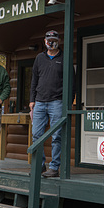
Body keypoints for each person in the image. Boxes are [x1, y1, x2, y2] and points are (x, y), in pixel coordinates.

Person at [30, 30, 70, 178]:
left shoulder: (64, 57)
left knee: (57, 135)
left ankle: (54, 167)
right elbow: (34, 80)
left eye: (54, 39)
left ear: (58, 41)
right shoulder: (39, 58)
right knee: (36, 135)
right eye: (49, 40)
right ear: (45, 41)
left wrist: (69, 100)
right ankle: (39, 166)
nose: (51, 42)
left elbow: (71, 80)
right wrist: (32, 100)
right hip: (39, 102)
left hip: (57, 102)